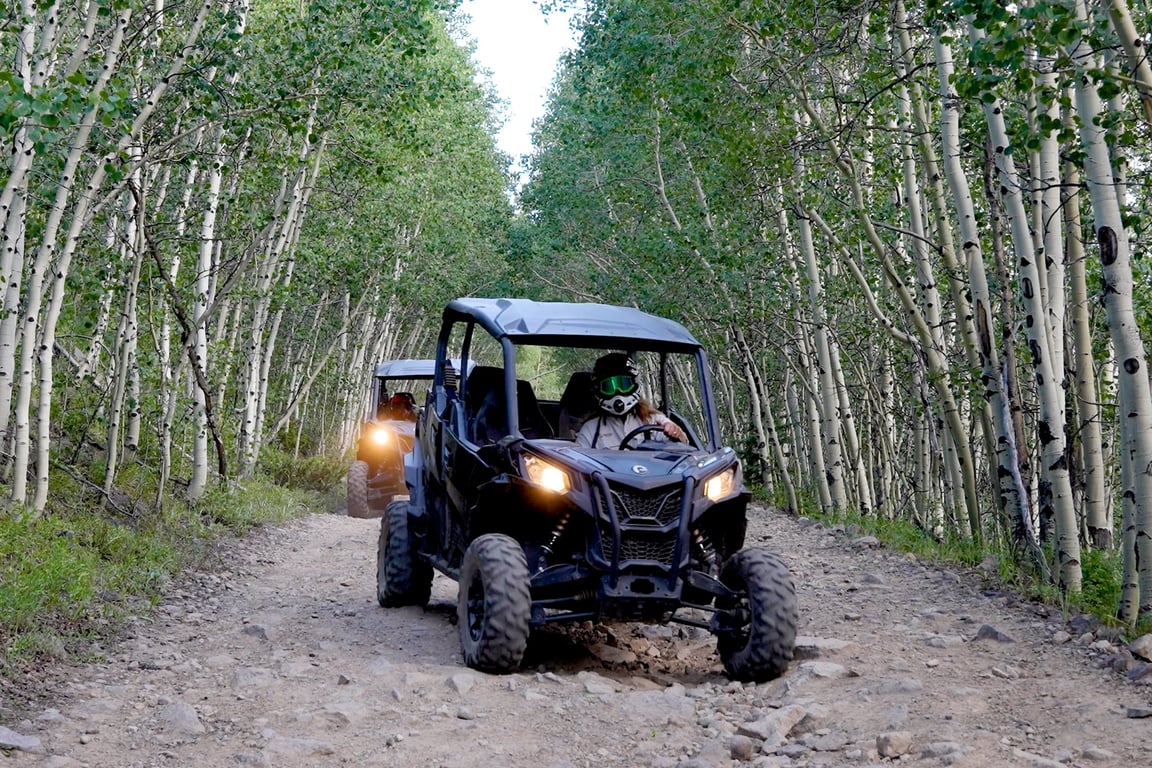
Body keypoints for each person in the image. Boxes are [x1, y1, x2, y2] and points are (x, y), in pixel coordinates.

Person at [575, 353, 687, 449]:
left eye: (624, 384)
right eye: (609, 387)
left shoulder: (653, 420)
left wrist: (676, 433)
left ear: (634, 384)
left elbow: (682, 449)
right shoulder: (590, 430)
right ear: (599, 390)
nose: (618, 392)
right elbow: (578, 462)